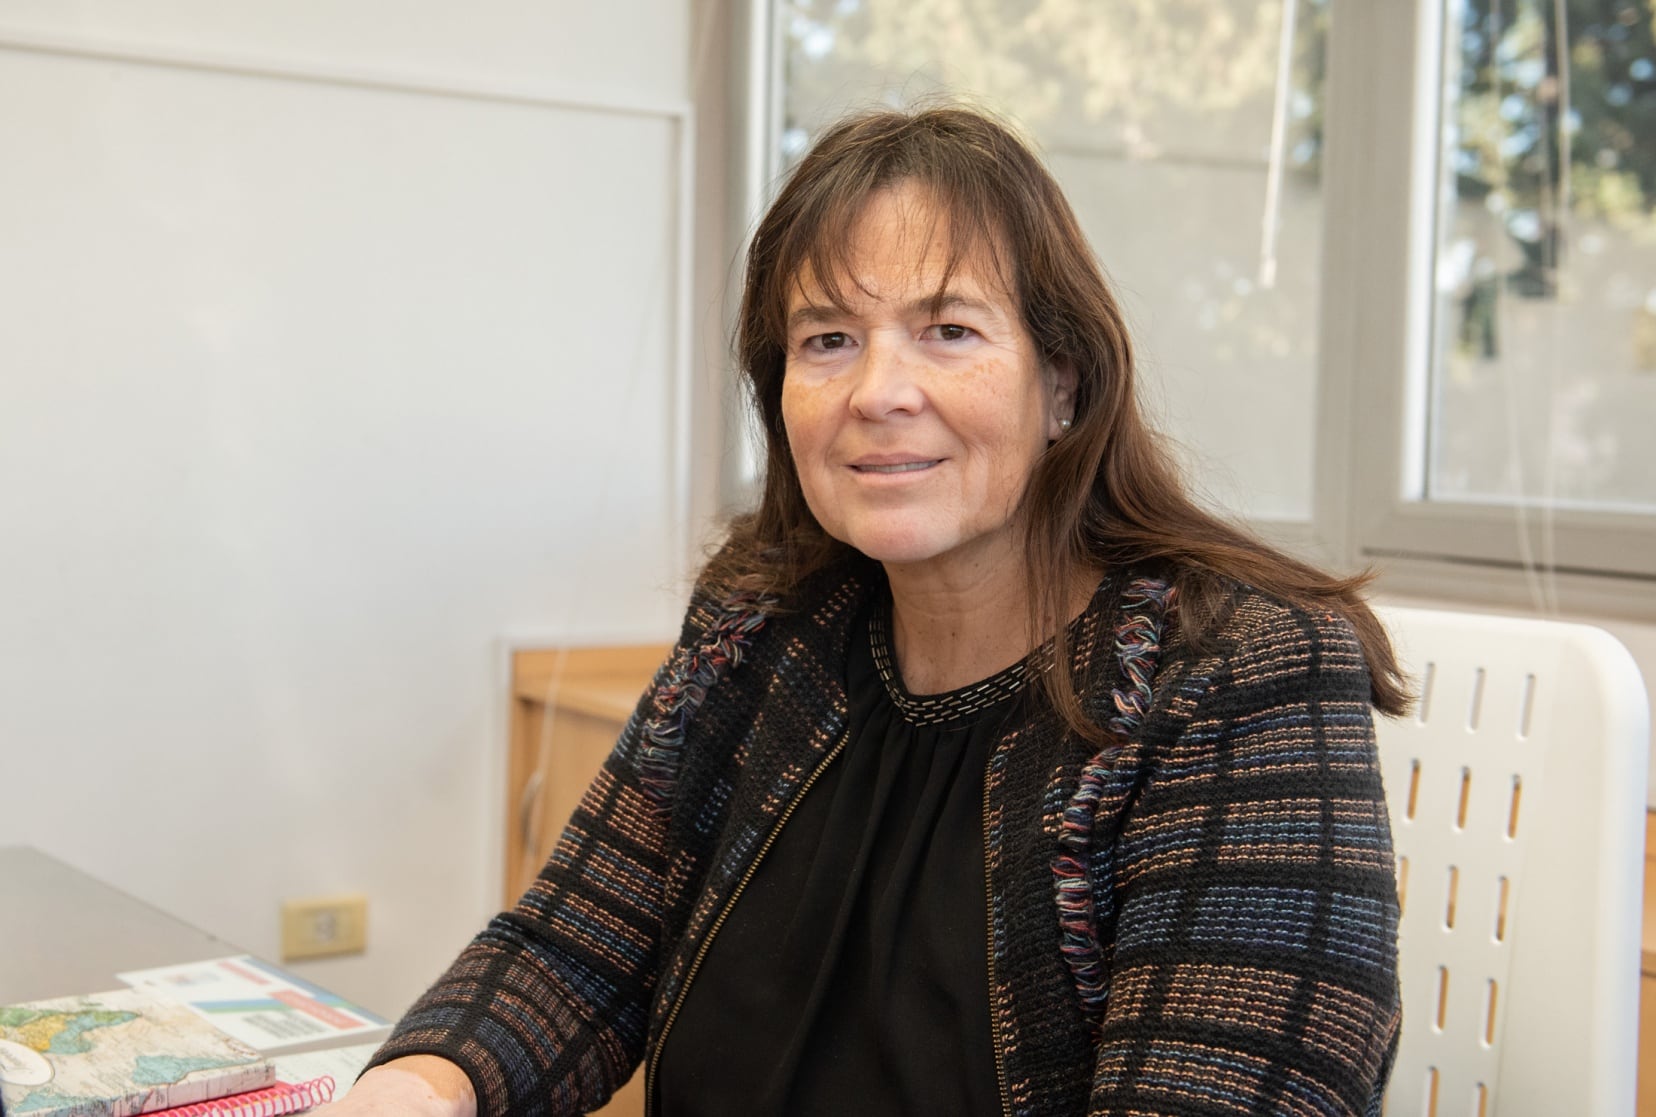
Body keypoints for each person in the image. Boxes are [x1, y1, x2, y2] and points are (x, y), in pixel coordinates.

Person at [318, 105, 1406, 1117]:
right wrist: (415, 1090)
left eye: (948, 330)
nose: (878, 391)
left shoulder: (1235, 673)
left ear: (1062, 385)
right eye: (827, 339)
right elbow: (576, 945)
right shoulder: (760, 628)